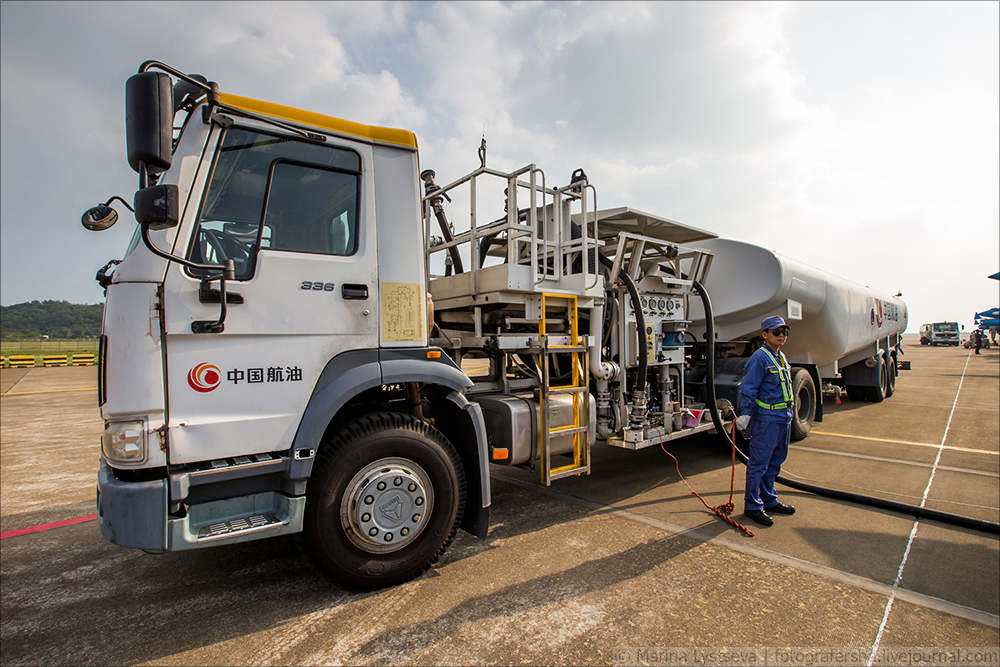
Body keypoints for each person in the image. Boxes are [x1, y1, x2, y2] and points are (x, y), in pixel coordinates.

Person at [735, 316, 796, 527]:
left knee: (775, 463)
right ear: (764, 334)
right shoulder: (759, 358)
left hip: (783, 419)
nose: (781, 336)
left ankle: (769, 500)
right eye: (776, 332)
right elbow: (749, 388)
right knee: (758, 465)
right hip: (767, 420)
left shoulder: (780, 356)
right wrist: (746, 414)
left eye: (784, 332)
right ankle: (753, 506)